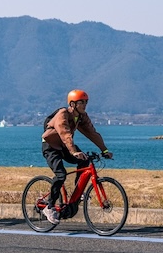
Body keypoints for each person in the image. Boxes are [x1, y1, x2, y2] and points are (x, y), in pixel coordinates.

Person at [41, 89, 112, 223]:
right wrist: (73, 151)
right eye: (81, 102)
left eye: (86, 102)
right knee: (61, 174)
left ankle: (78, 194)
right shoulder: (63, 114)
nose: (84, 105)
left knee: (85, 160)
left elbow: (92, 133)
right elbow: (65, 133)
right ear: (72, 104)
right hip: (51, 147)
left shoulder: (81, 116)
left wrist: (104, 150)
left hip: (65, 146)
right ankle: (49, 207)